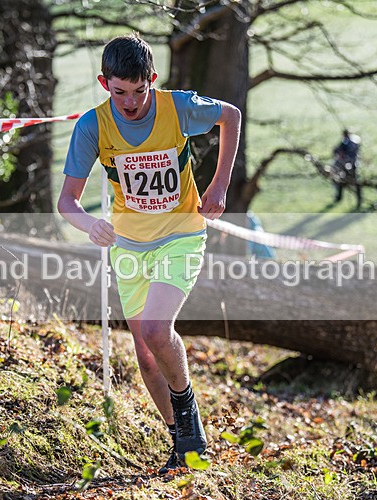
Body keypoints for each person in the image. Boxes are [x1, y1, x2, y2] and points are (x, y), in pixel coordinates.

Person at [57, 34, 241, 474]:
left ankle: (190, 422)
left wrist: (218, 185)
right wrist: (90, 224)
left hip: (180, 233)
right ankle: (183, 447)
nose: (131, 102)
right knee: (145, 354)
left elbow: (230, 116)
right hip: (129, 246)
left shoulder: (176, 107)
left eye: (139, 91)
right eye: (120, 91)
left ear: (151, 80)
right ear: (105, 83)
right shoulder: (92, 126)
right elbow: (68, 201)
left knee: (159, 330)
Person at [331, 129, 362, 209]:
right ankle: (339, 198)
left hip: (350, 165)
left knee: (352, 182)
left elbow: (337, 151)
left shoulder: (348, 142)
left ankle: (358, 201)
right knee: (342, 181)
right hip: (349, 165)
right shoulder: (350, 142)